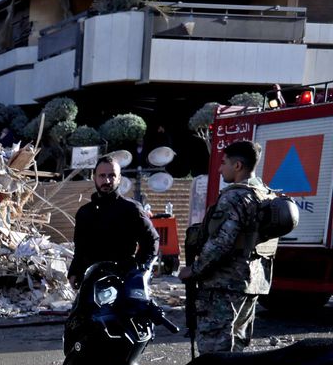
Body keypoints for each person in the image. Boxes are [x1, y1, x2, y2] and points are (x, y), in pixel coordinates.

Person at [179, 140, 270, 354]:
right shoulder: (263, 193)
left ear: (237, 166)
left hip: (225, 285)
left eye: (223, 163)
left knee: (215, 351)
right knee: (236, 347)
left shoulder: (234, 196)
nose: (220, 169)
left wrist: (194, 270)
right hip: (252, 281)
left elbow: (221, 242)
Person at [67, 155, 159, 288]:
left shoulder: (131, 209)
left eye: (112, 175)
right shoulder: (85, 213)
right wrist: (74, 272)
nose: (107, 180)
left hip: (123, 279)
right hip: (92, 279)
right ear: (94, 177)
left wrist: (140, 269)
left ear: (119, 178)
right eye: (102, 176)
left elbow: (151, 240)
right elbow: (80, 249)